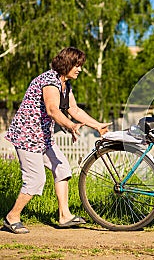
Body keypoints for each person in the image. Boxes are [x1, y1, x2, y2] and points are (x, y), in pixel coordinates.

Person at [3, 47, 112, 234]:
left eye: (80, 65)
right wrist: (70, 126)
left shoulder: (65, 85)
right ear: (66, 64)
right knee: (35, 179)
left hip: (43, 137)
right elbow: (52, 109)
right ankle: (12, 217)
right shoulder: (49, 80)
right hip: (27, 136)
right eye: (76, 65)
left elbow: (75, 110)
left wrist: (97, 126)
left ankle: (64, 216)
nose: (79, 69)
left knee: (62, 168)